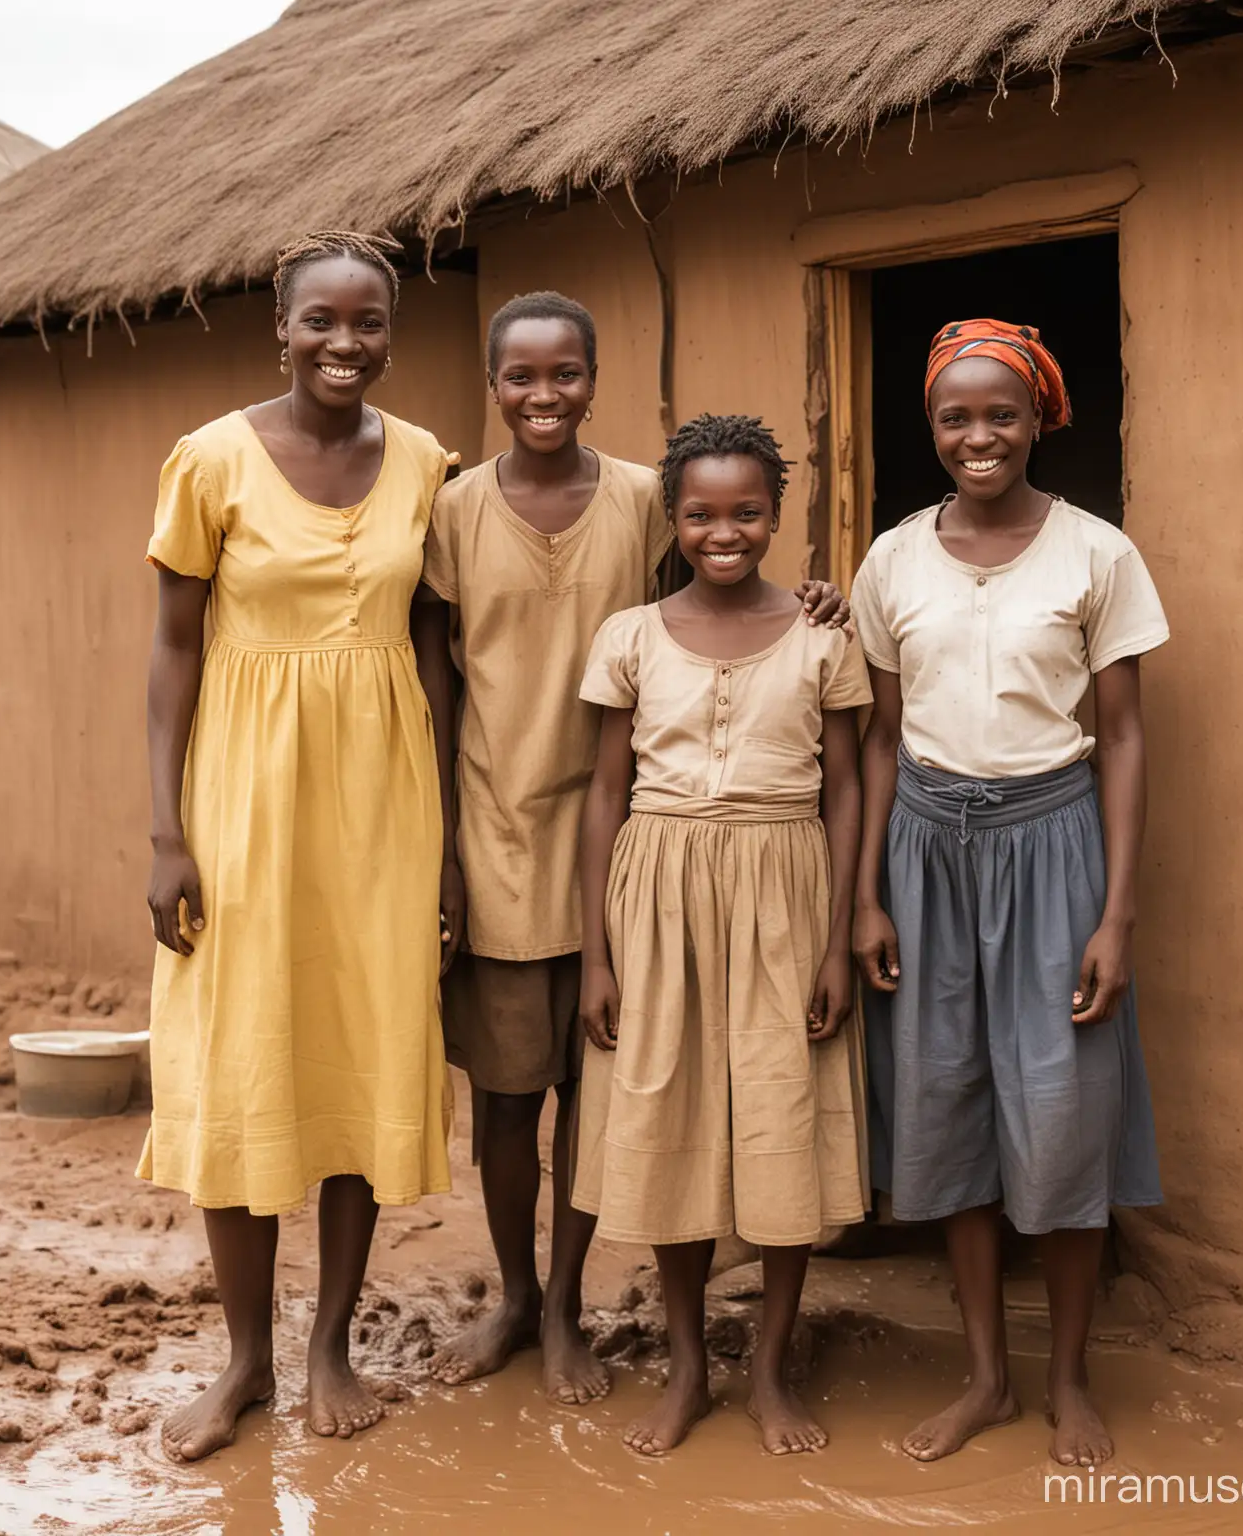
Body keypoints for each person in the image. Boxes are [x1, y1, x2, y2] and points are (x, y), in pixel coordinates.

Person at [421, 296, 849, 1406]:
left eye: (566, 373)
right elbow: (435, 681)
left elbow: (721, 614)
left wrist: (815, 598)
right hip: (505, 834)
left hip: (643, 856)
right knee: (512, 1096)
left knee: (600, 1095)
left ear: (596, 378)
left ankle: (566, 1310)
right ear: (493, 385)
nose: (545, 394)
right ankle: (520, 1298)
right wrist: (445, 851)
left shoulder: (644, 504)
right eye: (521, 376)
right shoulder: (456, 511)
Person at [142, 231, 462, 1462]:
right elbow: (174, 647)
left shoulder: (426, 462)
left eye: (369, 323)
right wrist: (167, 830)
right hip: (242, 796)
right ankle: (244, 1362)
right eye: (321, 321)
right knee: (239, 1057)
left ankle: (328, 1343)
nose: (346, 344)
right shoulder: (210, 460)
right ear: (280, 328)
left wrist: (436, 843)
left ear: (391, 331)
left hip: (384, 799)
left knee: (358, 1051)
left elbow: (434, 649)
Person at [852, 319, 1167, 1470]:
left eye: (1001, 414)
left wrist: (1115, 914)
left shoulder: (1095, 555)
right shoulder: (892, 560)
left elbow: (1124, 738)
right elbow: (880, 740)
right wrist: (867, 896)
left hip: (1054, 844)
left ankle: (1069, 1379)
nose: (977, 435)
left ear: (1039, 419)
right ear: (930, 428)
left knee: (1063, 1112)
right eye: (954, 416)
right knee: (946, 1112)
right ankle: (986, 1378)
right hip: (926, 848)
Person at [576, 413, 871, 1457]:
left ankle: (775, 1371)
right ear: (674, 518)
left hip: (784, 891)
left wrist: (835, 941)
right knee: (673, 1124)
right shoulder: (629, 635)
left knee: (782, 1123)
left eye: (747, 511)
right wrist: (598, 955)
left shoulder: (826, 631)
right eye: (701, 513)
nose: (725, 531)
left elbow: (844, 792)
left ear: (777, 514)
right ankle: (692, 1366)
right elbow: (604, 792)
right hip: (657, 895)